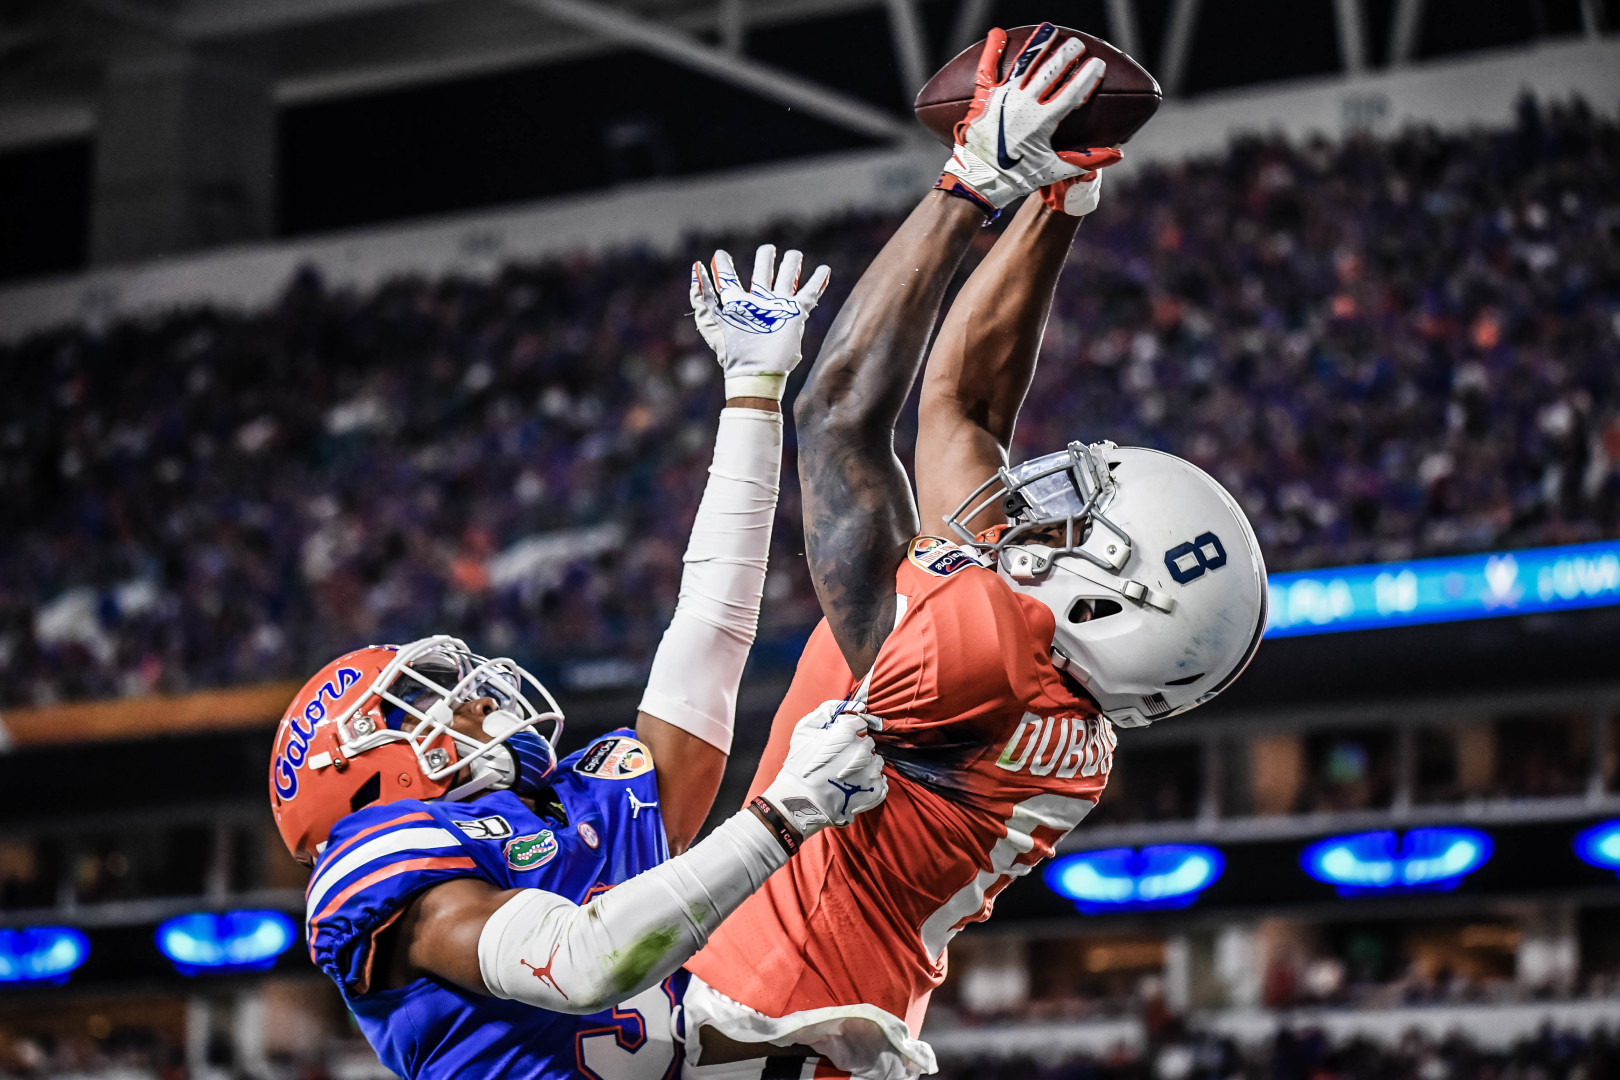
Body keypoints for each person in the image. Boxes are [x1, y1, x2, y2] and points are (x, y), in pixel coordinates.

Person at [681, 24, 1269, 1078]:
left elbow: (840, 419)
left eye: (1076, 524)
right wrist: (1059, 201)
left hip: (770, 1043)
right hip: (795, 1024)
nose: (1039, 508)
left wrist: (970, 183)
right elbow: (967, 406)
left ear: (1104, 600)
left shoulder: (980, 663)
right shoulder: (1046, 669)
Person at [269, 245, 890, 1080]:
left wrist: (752, 395)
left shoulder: (580, 806)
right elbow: (582, 964)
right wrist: (784, 816)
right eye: (419, 704)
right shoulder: (382, 855)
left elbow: (710, 631)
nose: (467, 700)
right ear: (364, 774)